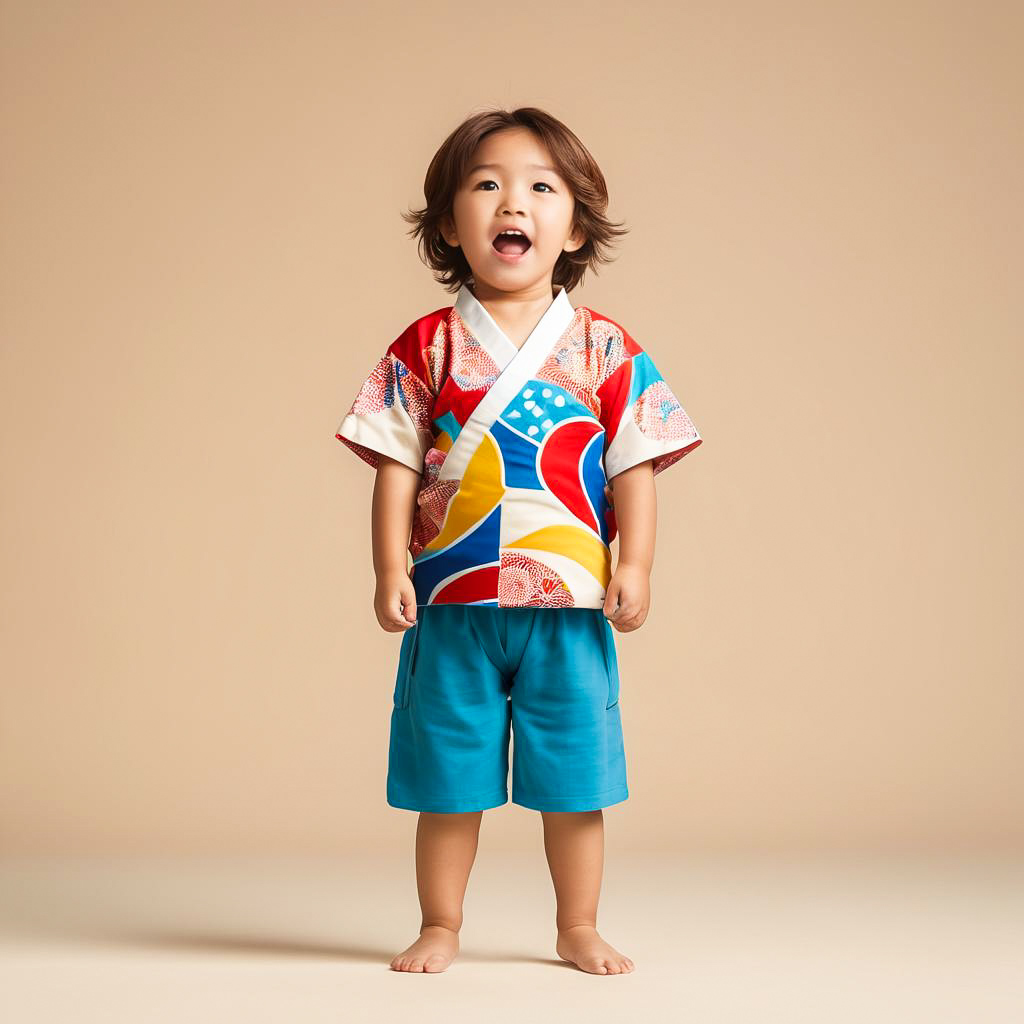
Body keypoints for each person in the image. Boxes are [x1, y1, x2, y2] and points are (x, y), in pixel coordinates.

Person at [333, 107, 702, 975]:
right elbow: (393, 463)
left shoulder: (606, 347)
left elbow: (632, 467)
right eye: (487, 184)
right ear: (449, 221)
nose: (515, 203)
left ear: (575, 223)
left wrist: (636, 563)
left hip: (568, 602)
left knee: (574, 776)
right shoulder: (424, 345)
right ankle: (441, 923)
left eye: (543, 187)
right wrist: (391, 565)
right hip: (451, 602)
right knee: (446, 777)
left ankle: (577, 926)